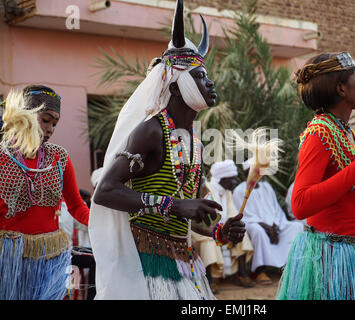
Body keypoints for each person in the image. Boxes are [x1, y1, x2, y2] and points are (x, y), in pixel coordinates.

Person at [89, 0, 246, 300]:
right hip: (147, 265)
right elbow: (105, 191)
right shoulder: (150, 131)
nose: (210, 82)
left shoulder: (194, 140)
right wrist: (174, 205)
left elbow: (192, 207)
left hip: (185, 263)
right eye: (200, 76)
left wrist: (218, 231)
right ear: (175, 87)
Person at [276, 52, 355, 300]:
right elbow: (300, 204)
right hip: (330, 257)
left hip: (351, 252)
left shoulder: (345, 133)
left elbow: (342, 195)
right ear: (341, 89)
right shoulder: (319, 133)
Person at [0, 85, 90, 300]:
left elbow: (77, 206)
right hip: (8, 258)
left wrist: (106, 225)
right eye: (46, 120)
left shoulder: (59, 158)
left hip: (50, 257)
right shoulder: (2, 157)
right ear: (26, 117)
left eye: (55, 124)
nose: (50, 129)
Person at [233, 158, 304, 285]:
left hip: (274, 223)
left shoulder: (267, 187)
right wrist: (266, 227)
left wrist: (275, 225)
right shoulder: (239, 190)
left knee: (296, 227)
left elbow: (276, 210)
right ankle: (260, 271)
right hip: (252, 224)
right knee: (258, 231)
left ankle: (290, 267)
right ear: (247, 173)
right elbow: (244, 215)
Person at [192, 159, 254, 292]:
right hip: (203, 231)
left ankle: (242, 274)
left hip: (221, 228)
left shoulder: (227, 192)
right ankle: (209, 279)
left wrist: (231, 227)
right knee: (209, 241)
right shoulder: (206, 188)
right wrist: (219, 229)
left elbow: (232, 213)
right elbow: (205, 219)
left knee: (241, 234)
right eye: (232, 179)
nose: (235, 182)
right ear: (222, 179)